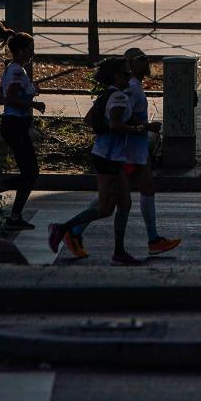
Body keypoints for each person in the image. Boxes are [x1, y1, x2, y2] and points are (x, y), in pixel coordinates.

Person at [47, 58, 147, 265]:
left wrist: (139, 124)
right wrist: (138, 129)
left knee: (125, 203)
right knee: (105, 208)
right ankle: (63, 228)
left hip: (109, 155)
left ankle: (119, 252)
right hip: (108, 157)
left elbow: (90, 119)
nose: (130, 77)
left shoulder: (107, 95)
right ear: (116, 76)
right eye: (127, 74)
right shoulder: (119, 97)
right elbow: (116, 124)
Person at [121, 47, 182, 256]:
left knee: (144, 189)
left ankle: (154, 239)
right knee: (109, 199)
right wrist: (148, 127)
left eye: (146, 58)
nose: (146, 62)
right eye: (141, 59)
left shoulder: (136, 85)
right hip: (130, 149)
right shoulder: (131, 87)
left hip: (136, 150)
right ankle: (70, 229)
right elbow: (122, 115)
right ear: (130, 64)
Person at [0, 19, 44, 231]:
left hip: (12, 125)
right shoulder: (18, 71)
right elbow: (9, 99)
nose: (32, 54)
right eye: (29, 50)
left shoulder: (11, 69)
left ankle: (13, 212)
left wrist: (29, 91)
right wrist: (34, 102)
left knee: (29, 171)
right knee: (31, 172)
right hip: (16, 126)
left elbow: (1, 97)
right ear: (19, 51)